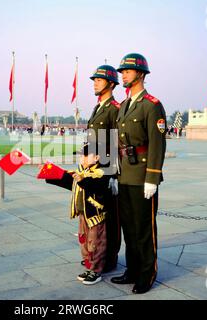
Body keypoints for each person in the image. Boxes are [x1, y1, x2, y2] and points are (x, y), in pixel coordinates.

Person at [110, 53, 166, 294]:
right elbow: (116, 143)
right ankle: (132, 269)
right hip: (125, 175)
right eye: (122, 71)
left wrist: (152, 178)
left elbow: (157, 144)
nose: (123, 74)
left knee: (144, 228)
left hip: (143, 176)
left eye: (127, 71)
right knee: (129, 228)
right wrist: (113, 173)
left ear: (141, 74)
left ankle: (147, 273)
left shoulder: (152, 105)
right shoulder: (124, 105)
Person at [44, 143, 110, 285]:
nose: (82, 158)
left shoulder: (102, 172)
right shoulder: (81, 171)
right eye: (81, 155)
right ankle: (88, 266)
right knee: (84, 241)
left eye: (86, 155)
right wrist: (48, 171)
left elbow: (98, 187)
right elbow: (68, 180)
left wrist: (82, 180)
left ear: (97, 157)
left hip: (94, 216)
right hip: (82, 214)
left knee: (96, 242)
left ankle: (96, 270)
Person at [87, 65, 121, 272]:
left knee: (110, 216)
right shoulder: (98, 107)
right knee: (97, 214)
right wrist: (85, 155)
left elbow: (117, 142)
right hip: (94, 167)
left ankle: (109, 258)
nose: (95, 83)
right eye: (94, 80)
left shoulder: (114, 108)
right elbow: (93, 138)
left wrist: (113, 173)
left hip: (107, 169)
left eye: (99, 80)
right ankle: (98, 253)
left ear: (110, 83)